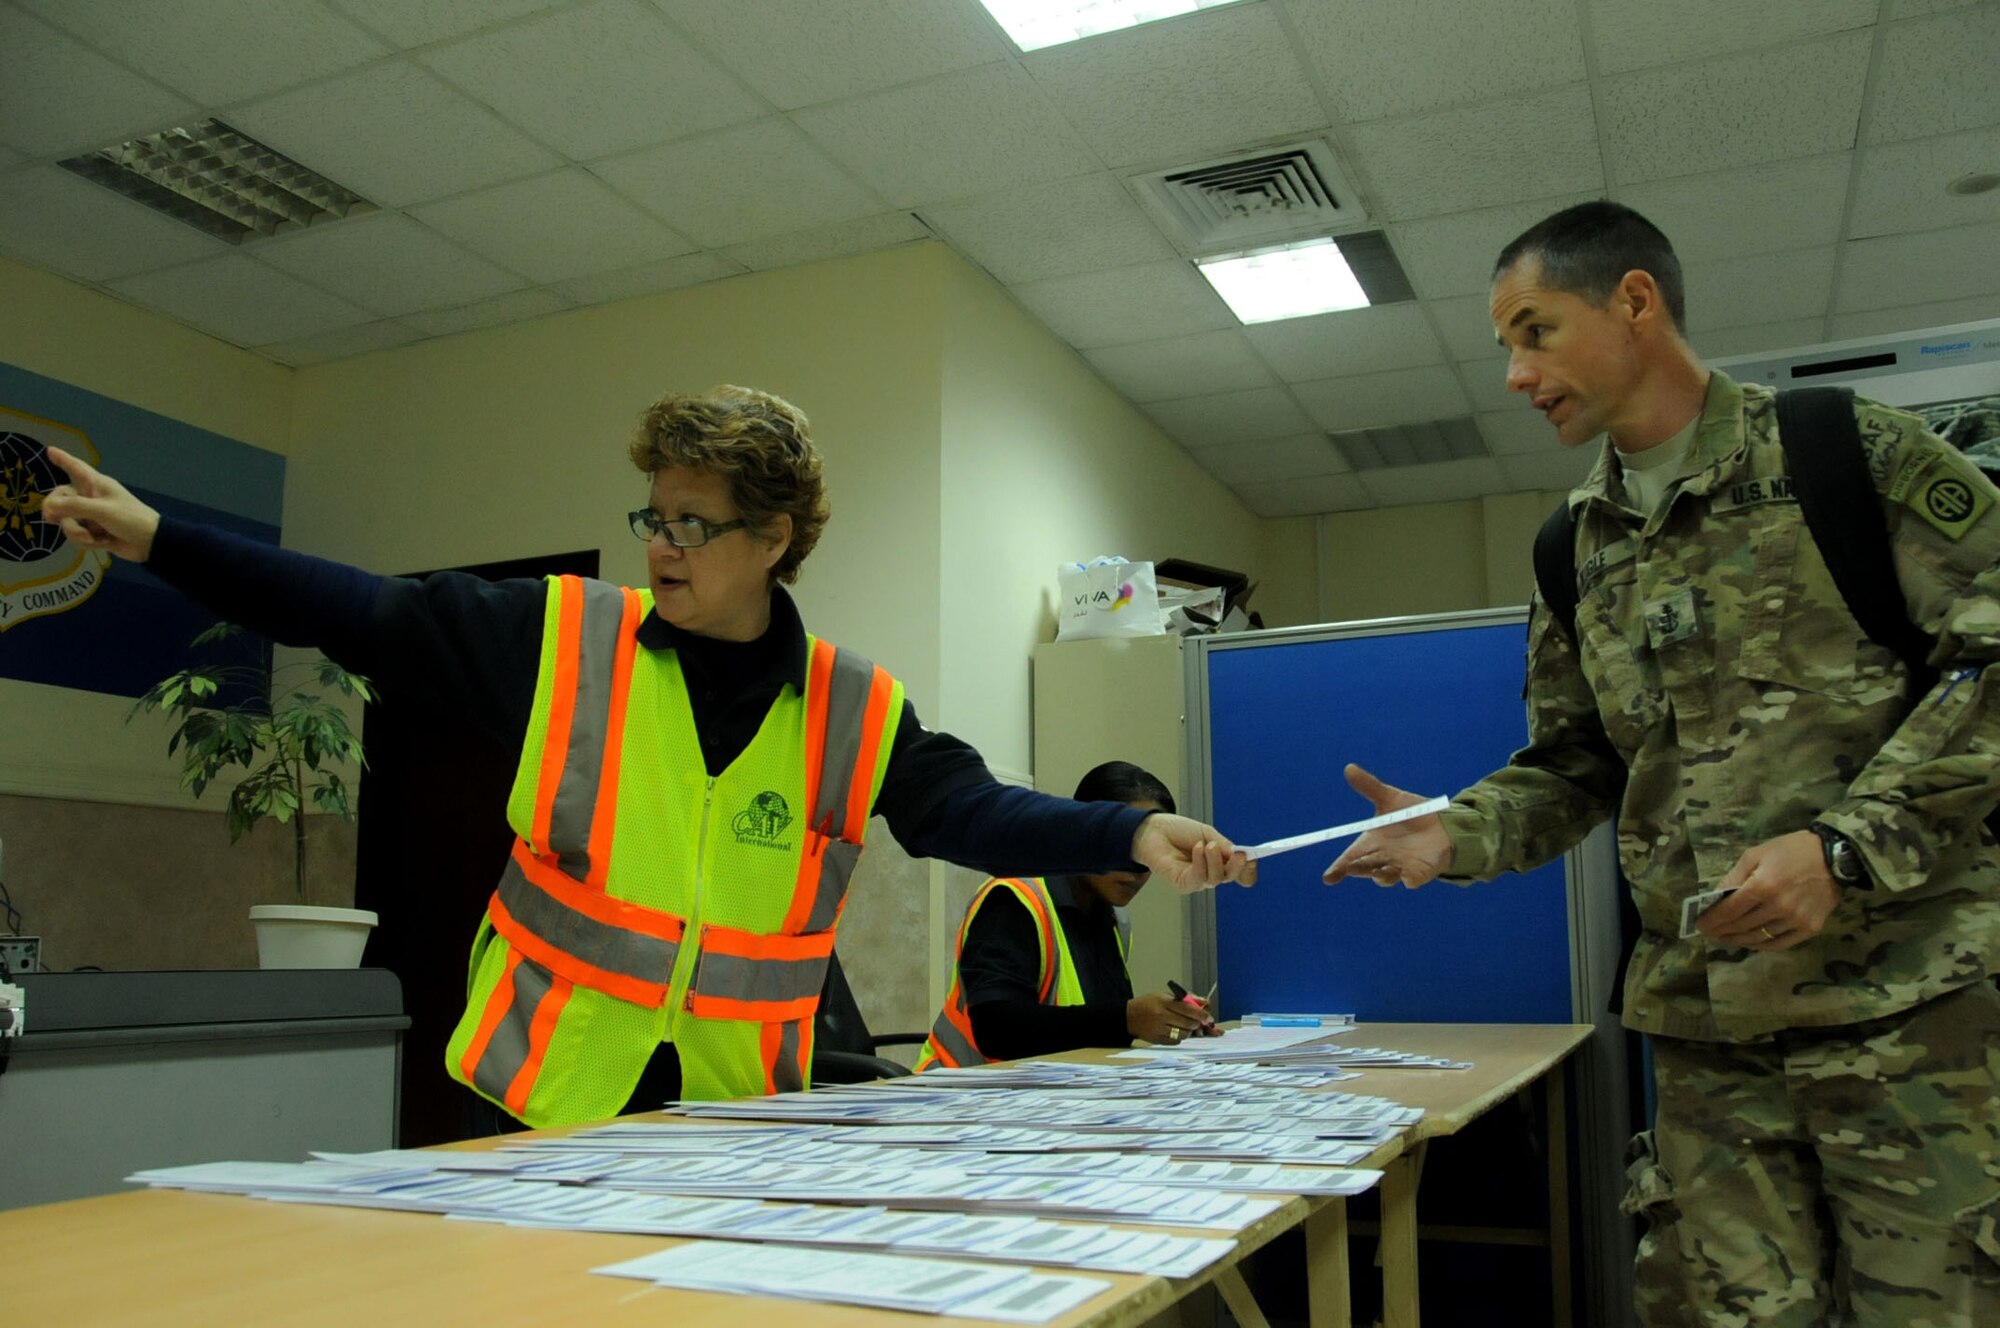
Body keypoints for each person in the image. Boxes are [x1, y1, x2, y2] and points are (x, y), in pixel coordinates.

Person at [42, 384, 1255, 1129]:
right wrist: (164, 537)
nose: (661, 546)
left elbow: (968, 811)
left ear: (773, 538)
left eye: (692, 522)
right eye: (652, 516)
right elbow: (362, 610)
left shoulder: (852, 704)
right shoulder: (562, 637)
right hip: (537, 1096)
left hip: (734, 1118)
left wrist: (1121, 831)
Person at [1323, 202, 2000, 1326]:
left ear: (1633, 301)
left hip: (1907, 1016)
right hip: (1705, 1039)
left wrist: (1843, 846)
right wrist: (1457, 831)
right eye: (1504, 343)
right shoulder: (1570, 547)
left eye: (1532, 330)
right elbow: (1577, 756)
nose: (1511, 372)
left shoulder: (1845, 452)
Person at [916, 760, 1219, 1068]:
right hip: (961, 1094)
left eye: (1147, 859)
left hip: (1047, 1092)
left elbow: (1093, 1024)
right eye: (1128, 850)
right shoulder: (1015, 899)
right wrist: (1128, 1018)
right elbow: (996, 1031)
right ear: (1088, 835)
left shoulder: (1115, 919)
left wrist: (1168, 1017)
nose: (1137, 872)